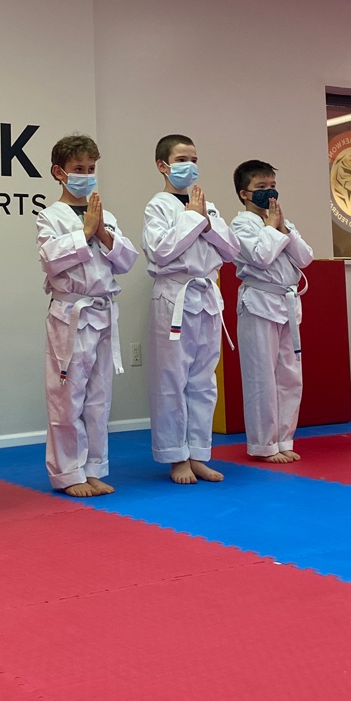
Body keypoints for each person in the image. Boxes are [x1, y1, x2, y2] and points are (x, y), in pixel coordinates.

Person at [36, 133, 138, 496]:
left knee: (99, 396)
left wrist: (103, 233)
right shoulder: (50, 216)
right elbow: (51, 260)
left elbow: (126, 260)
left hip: (104, 310)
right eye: (78, 168)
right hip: (71, 313)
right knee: (67, 395)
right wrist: (84, 231)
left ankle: (93, 467)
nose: (87, 175)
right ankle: (68, 473)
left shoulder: (105, 215)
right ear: (59, 172)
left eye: (91, 169)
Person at [142, 134, 238, 484]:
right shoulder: (157, 206)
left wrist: (204, 221)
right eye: (182, 159)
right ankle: (175, 457)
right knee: (171, 380)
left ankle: (198, 453)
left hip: (207, 295)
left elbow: (230, 251)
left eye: (194, 159)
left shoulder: (207, 205)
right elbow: (162, 252)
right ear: (163, 166)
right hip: (175, 296)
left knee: (203, 381)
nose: (190, 166)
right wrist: (194, 221)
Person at [231, 159, 313, 463]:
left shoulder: (282, 222)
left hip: (287, 304)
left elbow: (305, 258)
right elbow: (261, 256)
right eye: (261, 187)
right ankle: (263, 444)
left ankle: (284, 438)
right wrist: (270, 228)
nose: (269, 192)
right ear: (244, 194)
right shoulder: (240, 224)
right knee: (261, 377)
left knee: (290, 376)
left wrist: (284, 228)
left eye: (272, 186)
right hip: (258, 303)